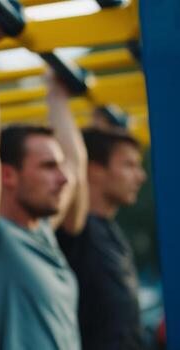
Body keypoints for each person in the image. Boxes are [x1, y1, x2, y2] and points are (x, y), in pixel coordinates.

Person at [0, 37, 89, 349]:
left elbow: (76, 169)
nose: (62, 178)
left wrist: (57, 96)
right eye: (49, 166)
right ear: (7, 175)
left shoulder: (43, 233)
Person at [57, 127, 147, 350]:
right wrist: (57, 96)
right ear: (95, 170)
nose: (141, 176)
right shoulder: (75, 227)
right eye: (129, 165)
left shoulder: (110, 231)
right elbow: (74, 163)